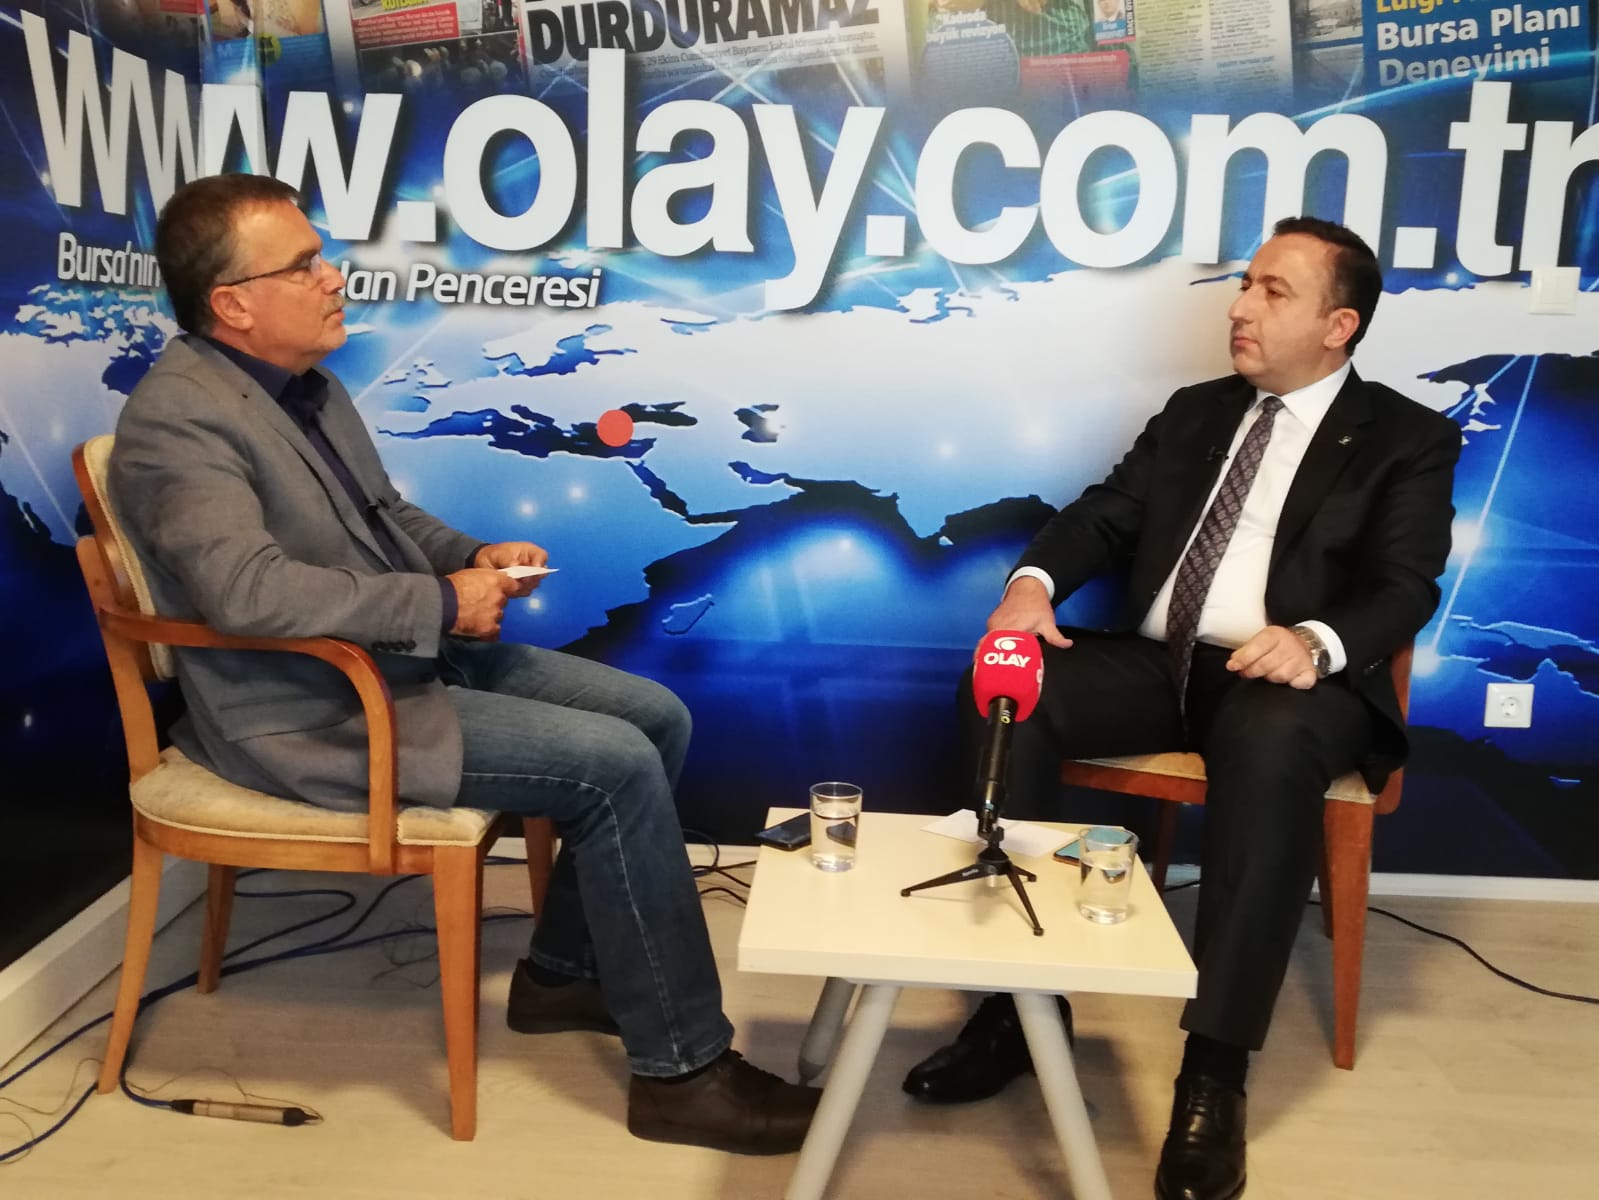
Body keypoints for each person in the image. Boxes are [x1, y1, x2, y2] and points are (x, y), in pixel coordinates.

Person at [108, 174, 819, 1155]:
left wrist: (472, 557)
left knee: (657, 717)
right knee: (615, 769)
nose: (333, 277)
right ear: (232, 305)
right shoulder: (177, 423)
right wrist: (441, 603)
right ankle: (683, 1076)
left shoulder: (309, 388)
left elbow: (384, 517)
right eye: (304, 266)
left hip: (396, 664)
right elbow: (247, 593)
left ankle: (560, 978)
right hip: (312, 711)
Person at [901, 217, 1460, 1200]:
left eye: (1273, 292)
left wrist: (1314, 640)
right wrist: (1032, 586)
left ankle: (1215, 1072)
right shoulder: (1196, 412)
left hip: (1289, 680)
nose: (1241, 306)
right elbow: (1104, 514)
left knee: (1271, 742)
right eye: (1245, 283)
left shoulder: (1406, 438)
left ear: (1337, 326)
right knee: (1006, 688)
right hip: (1161, 664)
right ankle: (1018, 1013)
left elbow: (1405, 583)